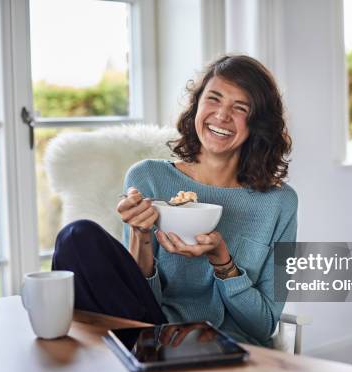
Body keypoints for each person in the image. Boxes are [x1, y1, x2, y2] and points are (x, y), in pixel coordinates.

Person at [52, 55, 297, 347]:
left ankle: (127, 368)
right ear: (196, 106)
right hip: (152, 329)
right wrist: (141, 235)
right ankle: (131, 361)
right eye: (214, 99)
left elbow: (264, 324)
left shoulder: (280, 203)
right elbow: (137, 297)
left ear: (258, 124)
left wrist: (223, 262)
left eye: (240, 107)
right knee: (77, 237)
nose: (221, 115)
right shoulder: (148, 177)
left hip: (223, 343)